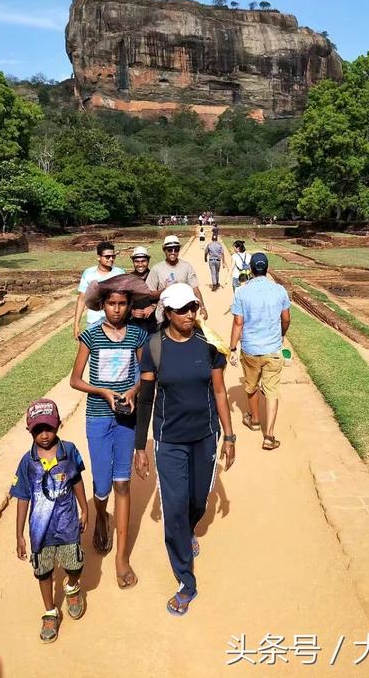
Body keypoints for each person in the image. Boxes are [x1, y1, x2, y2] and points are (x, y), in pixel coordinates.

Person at [134, 283, 236, 616]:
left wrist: (230, 437)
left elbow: (220, 393)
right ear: (167, 312)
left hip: (205, 435)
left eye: (192, 307)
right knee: (175, 507)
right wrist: (140, 447)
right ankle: (185, 580)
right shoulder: (154, 347)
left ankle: (189, 529)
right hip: (170, 440)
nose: (190, 314)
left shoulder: (209, 345)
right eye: (182, 309)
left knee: (196, 501)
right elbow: (147, 399)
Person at [70, 275, 150, 589]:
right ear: (102, 305)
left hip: (126, 418)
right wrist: (102, 391)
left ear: (130, 306)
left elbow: (145, 374)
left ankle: (121, 558)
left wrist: (133, 391)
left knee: (122, 483)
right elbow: (75, 380)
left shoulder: (136, 336)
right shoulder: (91, 337)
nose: (116, 309)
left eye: (122, 304)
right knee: (101, 485)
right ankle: (101, 516)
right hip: (99, 417)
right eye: (111, 303)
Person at [12, 399, 87, 644]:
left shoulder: (70, 452)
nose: (44, 435)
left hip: (67, 524)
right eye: (37, 430)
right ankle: (50, 611)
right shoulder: (26, 462)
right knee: (43, 571)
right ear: (29, 431)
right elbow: (22, 497)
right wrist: (20, 535)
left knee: (74, 564)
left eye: (49, 428)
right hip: (39, 530)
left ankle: (72, 588)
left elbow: (77, 481)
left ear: (58, 425)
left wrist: (84, 509)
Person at [228, 252, 290, 451]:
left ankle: (254, 420)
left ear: (251, 270)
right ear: (267, 268)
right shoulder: (279, 290)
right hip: (272, 348)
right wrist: (282, 334)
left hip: (251, 349)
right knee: (271, 391)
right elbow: (286, 318)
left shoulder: (241, 292)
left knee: (252, 385)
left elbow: (238, 323)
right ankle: (269, 435)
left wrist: (232, 348)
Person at [146, 235, 208, 321]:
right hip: (163, 315)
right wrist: (165, 290)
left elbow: (195, 288)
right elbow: (150, 295)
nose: (173, 252)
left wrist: (202, 307)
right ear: (164, 250)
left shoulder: (186, 267)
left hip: (183, 314)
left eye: (176, 249)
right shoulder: (156, 269)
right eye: (170, 249)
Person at [73, 241, 124, 338]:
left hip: (115, 321)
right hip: (94, 320)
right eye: (107, 257)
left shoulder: (120, 273)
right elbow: (82, 298)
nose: (111, 259)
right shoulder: (88, 273)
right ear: (98, 257)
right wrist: (76, 324)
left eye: (113, 256)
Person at [129, 246, 158, 334]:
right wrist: (132, 312)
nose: (140, 264)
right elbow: (124, 300)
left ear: (148, 261)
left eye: (143, 261)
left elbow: (163, 296)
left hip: (154, 323)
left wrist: (153, 307)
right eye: (137, 261)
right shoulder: (128, 279)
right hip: (134, 324)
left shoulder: (155, 276)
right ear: (133, 262)